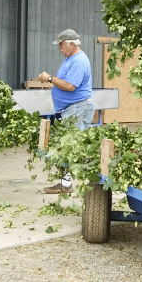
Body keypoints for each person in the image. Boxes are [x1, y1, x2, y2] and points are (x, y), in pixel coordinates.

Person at [38, 29, 93, 193]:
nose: (60, 48)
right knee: (69, 146)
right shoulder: (70, 59)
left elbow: (70, 86)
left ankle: (70, 184)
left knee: (73, 146)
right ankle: (66, 182)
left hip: (78, 108)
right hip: (71, 109)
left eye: (61, 45)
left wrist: (49, 79)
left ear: (71, 44)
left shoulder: (79, 61)